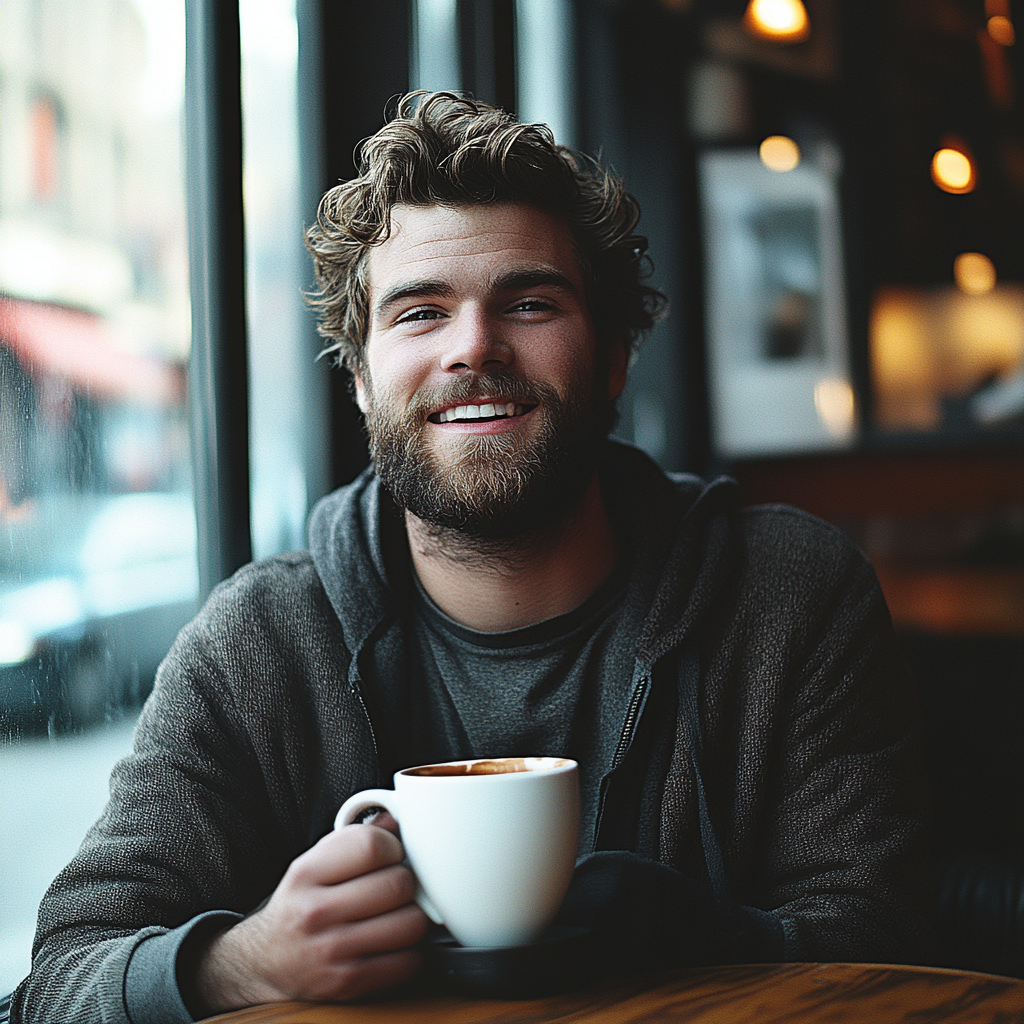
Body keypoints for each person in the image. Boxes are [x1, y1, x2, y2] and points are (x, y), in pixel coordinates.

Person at [12, 93, 930, 1024]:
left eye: (528, 302)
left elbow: (892, 936)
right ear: (363, 380)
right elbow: (53, 986)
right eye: (420, 313)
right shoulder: (261, 641)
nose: (474, 347)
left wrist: (713, 942)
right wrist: (242, 966)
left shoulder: (787, 594)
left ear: (614, 356)